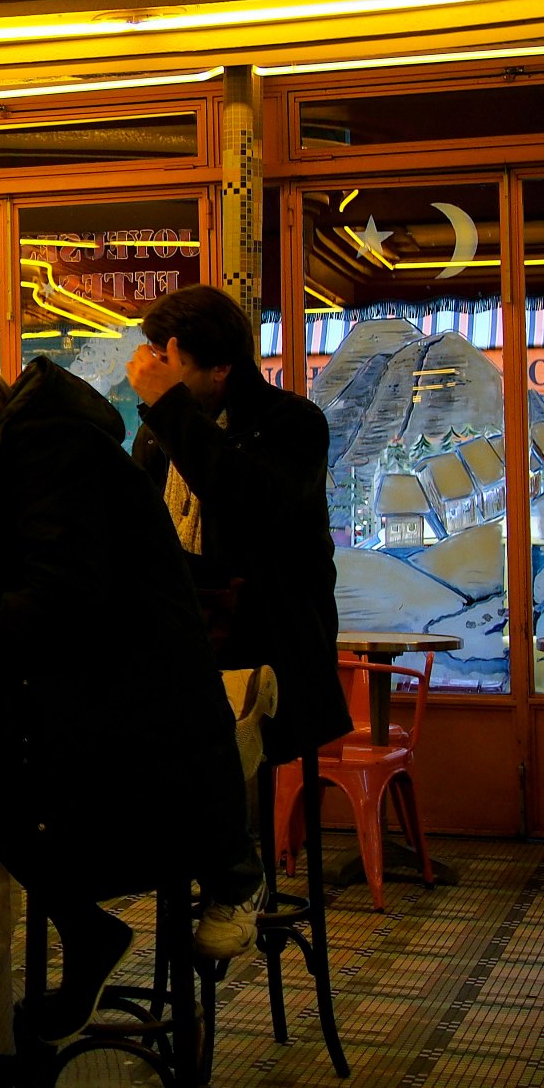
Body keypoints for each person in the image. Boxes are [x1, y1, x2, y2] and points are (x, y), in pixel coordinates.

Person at [0, 352, 258, 1036]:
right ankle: (39, 926)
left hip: (142, 748)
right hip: (143, 714)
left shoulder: (47, 450)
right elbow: (68, 565)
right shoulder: (53, 445)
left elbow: (67, 594)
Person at [126, 283, 351, 787]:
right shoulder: (161, 430)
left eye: (169, 361)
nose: (155, 372)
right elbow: (139, 528)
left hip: (270, 646)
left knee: (242, 804)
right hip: (184, 649)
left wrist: (169, 407)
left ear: (221, 366)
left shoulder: (293, 423)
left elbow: (250, 501)